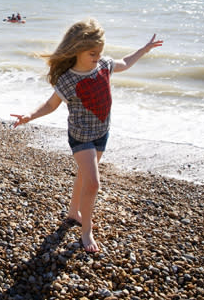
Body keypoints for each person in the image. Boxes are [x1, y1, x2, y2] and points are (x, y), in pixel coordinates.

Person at [11, 18, 162, 253]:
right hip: (81, 136)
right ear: (78, 50)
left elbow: (124, 62)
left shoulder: (103, 65)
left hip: (102, 132)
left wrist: (143, 49)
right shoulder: (68, 80)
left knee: (84, 176)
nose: (97, 56)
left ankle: (74, 212)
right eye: (92, 52)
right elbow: (50, 106)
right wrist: (29, 115)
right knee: (93, 183)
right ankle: (86, 232)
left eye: (100, 52)